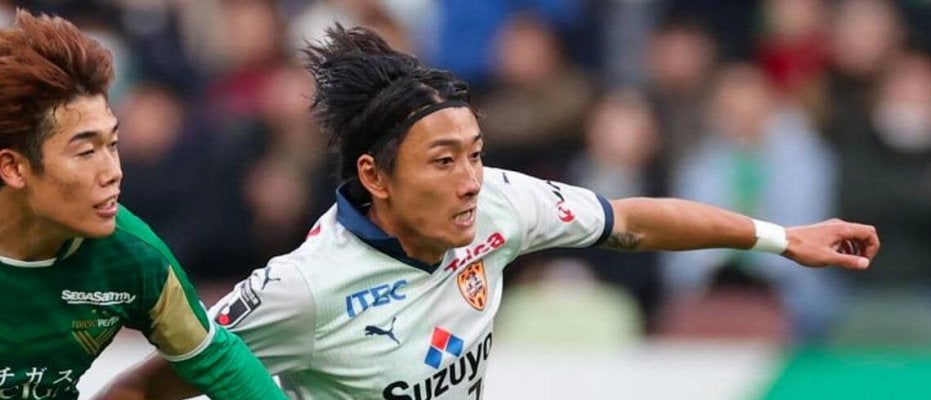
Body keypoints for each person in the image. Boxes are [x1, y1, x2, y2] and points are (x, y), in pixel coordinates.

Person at [100, 25, 879, 400]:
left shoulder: (501, 202)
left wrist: (783, 238)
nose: (472, 180)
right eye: (444, 161)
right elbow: (141, 390)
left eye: (475, 153)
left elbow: (634, 220)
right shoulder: (304, 290)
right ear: (375, 176)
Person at [0, 10, 286, 400]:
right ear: (13, 167)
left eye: (113, 144)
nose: (113, 172)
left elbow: (219, 361)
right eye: (86, 152)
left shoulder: (132, 255)